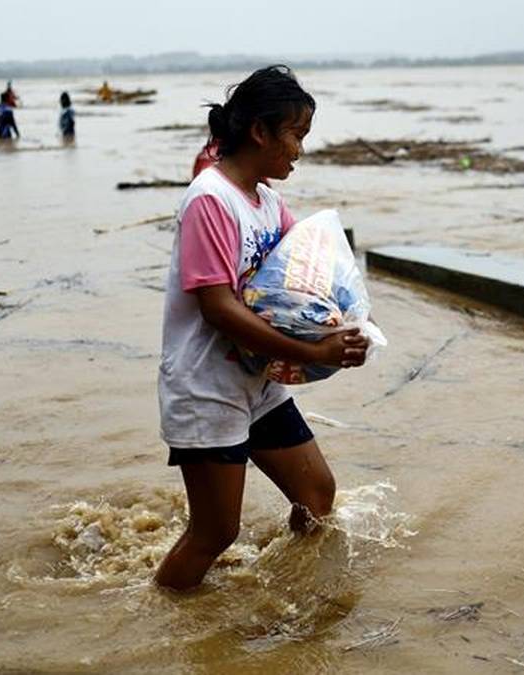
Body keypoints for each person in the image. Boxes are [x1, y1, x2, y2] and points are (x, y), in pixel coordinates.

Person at [154, 65, 369, 591]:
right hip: (207, 388)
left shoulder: (268, 202)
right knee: (215, 532)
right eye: (295, 135)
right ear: (260, 131)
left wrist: (351, 323)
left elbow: (309, 276)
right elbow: (218, 308)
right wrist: (313, 352)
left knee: (317, 498)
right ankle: (167, 621)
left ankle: (287, 591)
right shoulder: (211, 200)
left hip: (259, 382)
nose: (299, 150)